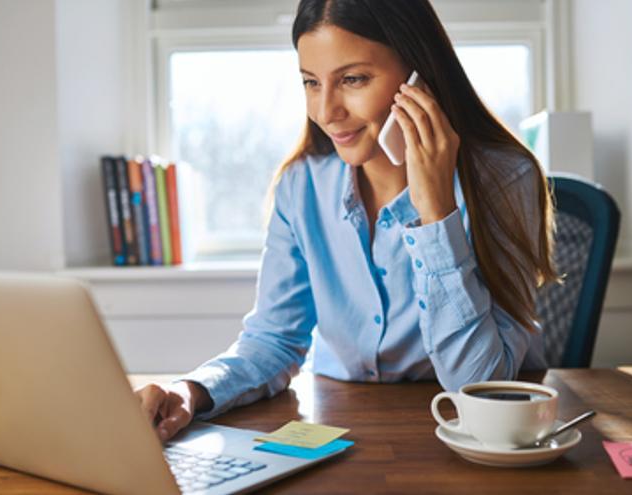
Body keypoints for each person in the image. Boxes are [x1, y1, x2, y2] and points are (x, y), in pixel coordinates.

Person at [136, 0, 557, 442]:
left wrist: (436, 213)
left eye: (353, 79)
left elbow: (479, 386)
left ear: (419, 75)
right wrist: (189, 392)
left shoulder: (504, 179)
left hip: (468, 443)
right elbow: (274, 341)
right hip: (340, 434)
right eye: (311, 83)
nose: (325, 110)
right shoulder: (302, 185)